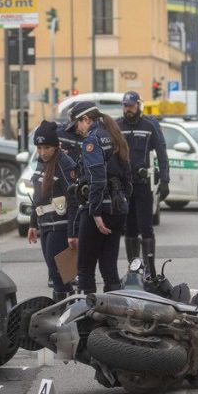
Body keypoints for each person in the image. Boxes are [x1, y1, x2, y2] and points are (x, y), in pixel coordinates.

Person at [64, 101, 131, 293]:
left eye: (76, 125)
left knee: (84, 269)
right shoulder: (115, 135)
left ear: (86, 119)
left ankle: (89, 319)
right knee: (109, 269)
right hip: (118, 209)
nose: (76, 130)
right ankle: (114, 316)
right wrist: (124, 203)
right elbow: (128, 176)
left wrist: (95, 212)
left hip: (98, 211)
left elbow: (97, 178)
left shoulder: (92, 140)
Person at [27, 121, 79, 301]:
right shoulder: (41, 163)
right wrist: (33, 223)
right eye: (39, 148)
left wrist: (73, 233)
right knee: (54, 272)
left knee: (61, 275)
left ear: (56, 146)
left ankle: (66, 312)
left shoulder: (65, 163)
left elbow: (74, 200)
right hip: (45, 224)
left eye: (47, 147)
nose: (42, 152)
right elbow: (38, 196)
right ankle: (63, 308)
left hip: (61, 226)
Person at [118, 91, 169, 270]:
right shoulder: (117, 126)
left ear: (139, 105)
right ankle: (134, 267)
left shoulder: (149, 125)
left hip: (143, 185)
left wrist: (165, 180)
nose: (128, 109)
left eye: (131, 106)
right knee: (129, 228)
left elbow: (162, 153)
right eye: (125, 106)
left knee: (146, 227)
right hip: (124, 186)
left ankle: (150, 267)